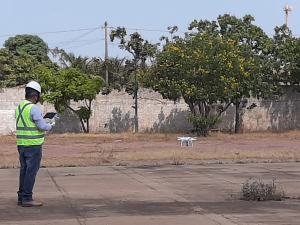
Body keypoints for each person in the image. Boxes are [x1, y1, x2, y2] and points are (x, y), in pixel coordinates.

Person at [15, 81, 55, 207]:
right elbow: (42, 126)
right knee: (31, 172)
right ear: (35, 96)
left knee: (24, 171)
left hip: (21, 144)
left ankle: (21, 196)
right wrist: (51, 124)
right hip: (33, 145)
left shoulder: (19, 108)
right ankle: (27, 198)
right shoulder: (33, 108)